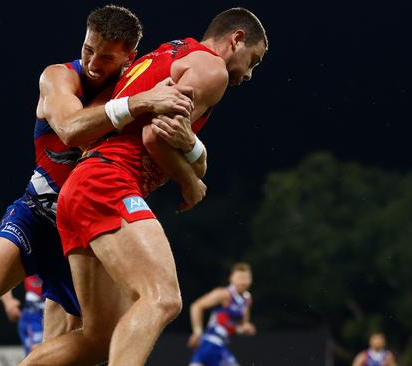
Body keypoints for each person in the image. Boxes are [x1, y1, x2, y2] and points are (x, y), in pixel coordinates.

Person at [0, 5, 194, 366]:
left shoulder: (140, 90)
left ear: (130, 57)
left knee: (83, 344)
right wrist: (140, 102)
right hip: (36, 213)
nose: (93, 62)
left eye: (106, 57)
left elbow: (171, 144)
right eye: (88, 49)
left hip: (86, 232)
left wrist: (192, 153)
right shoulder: (60, 78)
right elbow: (70, 128)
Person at [21, 7, 268, 366]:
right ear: (237, 39)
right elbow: (157, 136)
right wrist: (190, 183)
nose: (249, 73)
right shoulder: (211, 68)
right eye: (254, 61)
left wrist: (196, 155)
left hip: (80, 186)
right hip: (110, 183)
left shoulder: (172, 50)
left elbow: (163, 131)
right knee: (162, 298)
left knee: (98, 338)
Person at [187, 263, 256, 366]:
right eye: (240, 278)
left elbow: (241, 326)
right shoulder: (224, 294)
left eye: (246, 278)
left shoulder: (247, 299)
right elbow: (196, 306)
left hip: (218, 346)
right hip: (210, 343)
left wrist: (247, 329)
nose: (243, 282)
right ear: (231, 278)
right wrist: (197, 332)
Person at [0, 275, 46, 355]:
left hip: (61, 312)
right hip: (34, 315)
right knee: (37, 354)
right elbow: (2, 272)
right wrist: (8, 301)